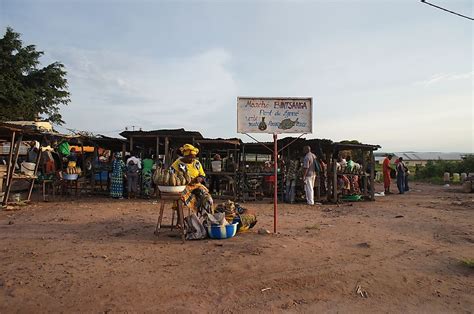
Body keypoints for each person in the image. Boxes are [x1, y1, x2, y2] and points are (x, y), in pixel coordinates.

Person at [171, 144, 213, 215]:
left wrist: (200, 178)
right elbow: (170, 175)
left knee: (208, 199)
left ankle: (207, 219)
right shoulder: (177, 163)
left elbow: (202, 174)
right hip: (183, 187)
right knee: (179, 200)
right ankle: (180, 220)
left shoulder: (197, 163)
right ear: (185, 156)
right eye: (190, 157)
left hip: (197, 185)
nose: (192, 159)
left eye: (194, 157)